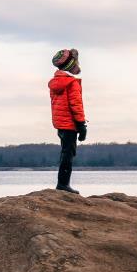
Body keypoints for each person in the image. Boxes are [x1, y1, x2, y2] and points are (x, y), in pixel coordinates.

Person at [49, 49, 87, 193]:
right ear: (71, 65)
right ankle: (63, 184)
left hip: (60, 123)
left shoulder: (57, 82)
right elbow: (76, 105)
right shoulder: (71, 83)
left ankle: (62, 183)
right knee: (68, 154)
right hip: (70, 123)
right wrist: (81, 125)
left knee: (65, 152)